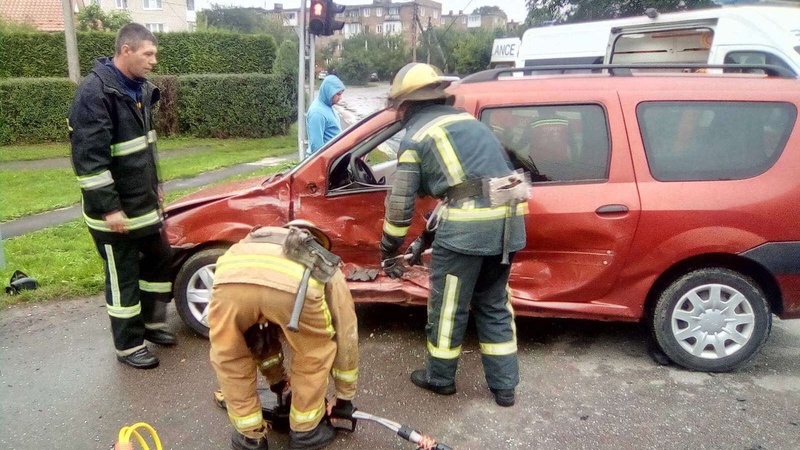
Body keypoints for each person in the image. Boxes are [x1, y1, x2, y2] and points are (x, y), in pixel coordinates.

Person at [379, 63, 529, 407]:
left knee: (448, 308)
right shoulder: (467, 122)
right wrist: (425, 239)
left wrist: (389, 248)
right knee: (494, 304)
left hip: (467, 232)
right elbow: (462, 191)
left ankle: (440, 378)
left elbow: (400, 209)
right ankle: (505, 387)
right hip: (511, 220)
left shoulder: (414, 138)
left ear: (404, 106)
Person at [68, 23, 174, 370]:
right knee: (123, 274)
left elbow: (144, 146)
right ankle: (128, 346)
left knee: (160, 257)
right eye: (148, 53)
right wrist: (109, 210)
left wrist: (156, 183)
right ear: (125, 51)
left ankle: (152, 325)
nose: (154, 61)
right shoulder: (94, 94)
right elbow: (90, 161)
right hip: (114, 213)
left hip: (142, 203)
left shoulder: (138, 89)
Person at [208, 220, 359, 450]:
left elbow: (262, 336)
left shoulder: (252, 242)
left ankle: (250, 438)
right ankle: (306, 432)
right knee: (313, 353)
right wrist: (344, 397)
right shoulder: (322, 260)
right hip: (295, 291)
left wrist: (278, 381)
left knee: (230, 356)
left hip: (229, 283)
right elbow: (345, 334)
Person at [306, 74, 345, 157]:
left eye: (341, 94)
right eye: (338, 94)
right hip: (324, 163)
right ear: (329, 92)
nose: (340, 98)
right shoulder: (317, 113)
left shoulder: (328, 106)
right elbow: (316, 147)